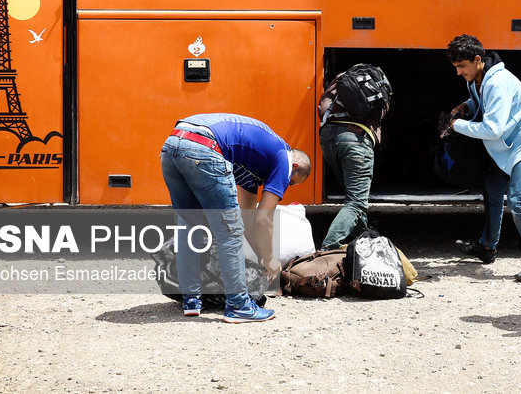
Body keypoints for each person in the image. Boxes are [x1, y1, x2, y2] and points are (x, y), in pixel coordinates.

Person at [160, 113, 312, 322]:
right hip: (205, 145)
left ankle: (191, 300)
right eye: (292, 183)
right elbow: (263, 218)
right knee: (228, 232)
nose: (286, 186)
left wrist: (260, 256)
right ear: (294, 168)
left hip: (174, 143)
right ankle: (238, 304)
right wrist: (269, 259)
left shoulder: (250, 165)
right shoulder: (284, 158)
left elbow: (248, 219)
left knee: (189, 226)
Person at [445, 34, 521, 282]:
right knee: (493, 189)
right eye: (456, 67)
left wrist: (456, 125)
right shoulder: (479, 77)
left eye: (462, 66)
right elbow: (483, 102)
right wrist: (466, 106)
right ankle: (487, 247)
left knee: (516, 199)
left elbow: (493, 129)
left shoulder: (498, 82)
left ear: (478, 60)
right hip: (510, 145)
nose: (459, 73)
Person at [317, 65, 391, 250]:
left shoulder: (340, 81)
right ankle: (328, 249)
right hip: (356, 140)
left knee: (353, 199)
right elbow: (380, 114)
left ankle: (363, 240)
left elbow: (322, 106)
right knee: (356, 202)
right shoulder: (377, 85)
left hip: (328, 138)